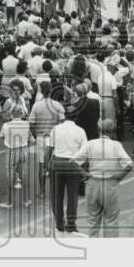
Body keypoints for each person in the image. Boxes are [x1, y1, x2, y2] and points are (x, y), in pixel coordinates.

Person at [71, 118, 133, 236]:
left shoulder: (90, 144)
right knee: (111, 220)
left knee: (93, 221)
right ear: (113, 131)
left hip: (93, 183)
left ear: (99, 130)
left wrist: (85, 174)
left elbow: (73, 161)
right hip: (110, 185)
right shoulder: (116, 145)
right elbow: (129, 165)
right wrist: (119, 177)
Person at [49, 99, 88, 233]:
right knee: (72, 195)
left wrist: (46, 166)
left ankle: (59, 223)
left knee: (57, 195)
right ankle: (71, 223)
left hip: (57, 161)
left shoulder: (56, 129)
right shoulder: (81, 131)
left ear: (64, 116)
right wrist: (82, 169)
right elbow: (84, 152)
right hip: (72, 163)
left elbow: (50, 149)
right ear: (76, 117)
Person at [0, 105, 34, 210]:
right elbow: (30, 138)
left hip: (11, 151)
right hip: (23, 150)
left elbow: (1, 136)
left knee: (11, 175)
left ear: (11, 114)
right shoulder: (26, 124)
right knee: (23, 175)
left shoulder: (6, 125)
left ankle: (9, 202)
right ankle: (26, 200)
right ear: (21, 114)